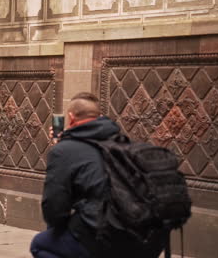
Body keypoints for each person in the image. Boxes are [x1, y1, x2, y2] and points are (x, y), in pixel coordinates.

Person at [30, 92, 169, 258]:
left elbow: (54, 208)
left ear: (71, 118)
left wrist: (63, 146)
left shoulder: (65, 150)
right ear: (100, 117)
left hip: (108, 237)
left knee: (41, 244)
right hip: (151, 239)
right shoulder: (124, 144)